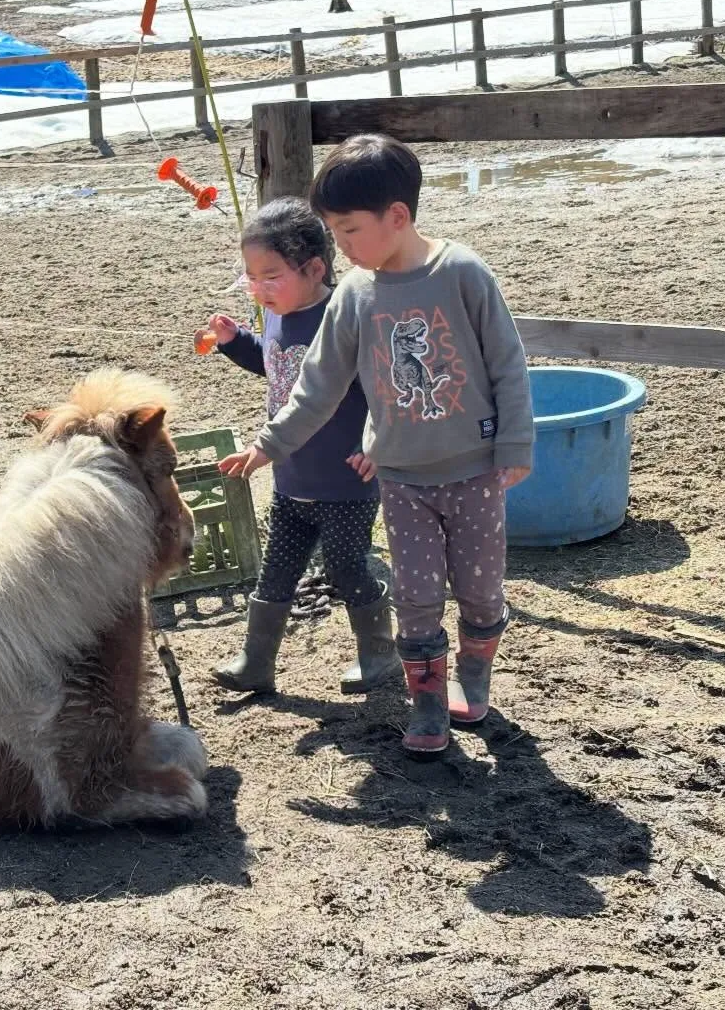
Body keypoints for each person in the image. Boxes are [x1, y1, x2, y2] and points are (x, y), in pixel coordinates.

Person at [219, 135, 533, 756]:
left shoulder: (463, 273)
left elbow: (507, 363)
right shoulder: (355, 296)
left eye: (350, 230)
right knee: (416, 597)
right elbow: (317, 387)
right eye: (334, 232)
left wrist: (515, 444)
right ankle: (427, 705)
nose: (341, 246)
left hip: (473, 471)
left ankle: (473, 675)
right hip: (402, 477)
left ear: (397, 215)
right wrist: (269, 445)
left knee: (480, 591)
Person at [197, 196, 396, 697]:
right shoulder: (277, 315)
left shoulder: (343, 315)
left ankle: (381, 654)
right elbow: (273, 364)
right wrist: (236, 341)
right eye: (250, 277)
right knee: (276, 572)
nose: (259, 289)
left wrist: (375, 442)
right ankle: (256, 662)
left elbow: (383, 386)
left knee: (346, 567)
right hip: (290, 477)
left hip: (345, 480)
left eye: (271, 276)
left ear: (314, 269)